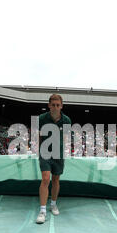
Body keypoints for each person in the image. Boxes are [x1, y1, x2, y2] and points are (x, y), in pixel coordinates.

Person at [36, 94, 71, 224]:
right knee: (45, 179)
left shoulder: (67, 120)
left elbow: (66, 138)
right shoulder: (41, 118)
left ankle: (53, 204)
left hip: (59, 154)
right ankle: (42, 211)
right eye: (53, 105)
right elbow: (38, 137)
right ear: (49, 105)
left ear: (61, 106)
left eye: (58, 105)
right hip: (45, 153)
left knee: (56, 179)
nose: (55, 107)